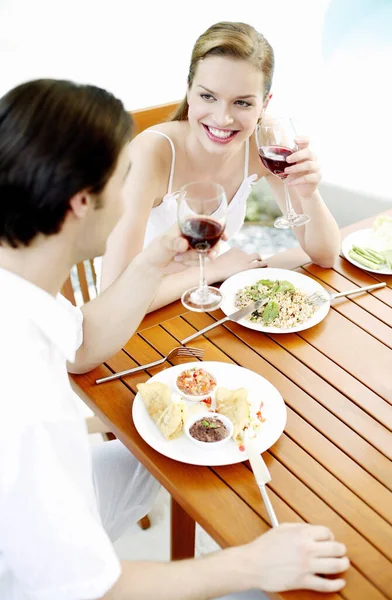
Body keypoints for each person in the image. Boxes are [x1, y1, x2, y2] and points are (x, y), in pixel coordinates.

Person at [0, 78, 348, 600]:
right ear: (80, 201)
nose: (132, 195)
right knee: (271, 589)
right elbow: (88, 590)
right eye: (124, 178)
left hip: (46, 495)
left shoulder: (24, 289)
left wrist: (152, 260)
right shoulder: (24, 402)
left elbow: (83, 348)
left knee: (170, 460)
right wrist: (250, 565)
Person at [101, 21, 341, 311]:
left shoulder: (260, 146)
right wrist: (215, 270)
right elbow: (115, 298)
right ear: (188, 91)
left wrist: (308, 192)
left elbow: (326, 256)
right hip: (142, 315)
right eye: (208, 96)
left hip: (209, 299)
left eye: (242, 103)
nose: (223, 119)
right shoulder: (150, 155)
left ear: (264, 104)